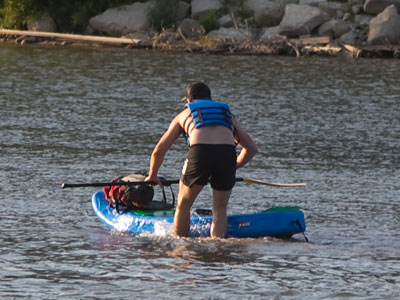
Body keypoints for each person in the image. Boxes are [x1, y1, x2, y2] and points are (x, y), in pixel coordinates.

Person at [145, 82, 258, 238]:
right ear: (210, 98)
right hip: (227, 154)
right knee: (220, 209)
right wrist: (233, 166)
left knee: (183, 205)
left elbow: (159, 150)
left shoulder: (184, 114)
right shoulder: (227, 116)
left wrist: (152, 175)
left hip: (200, 152)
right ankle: (218, 244)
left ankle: (181, 243)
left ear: (189, 101)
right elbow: (251, 149)